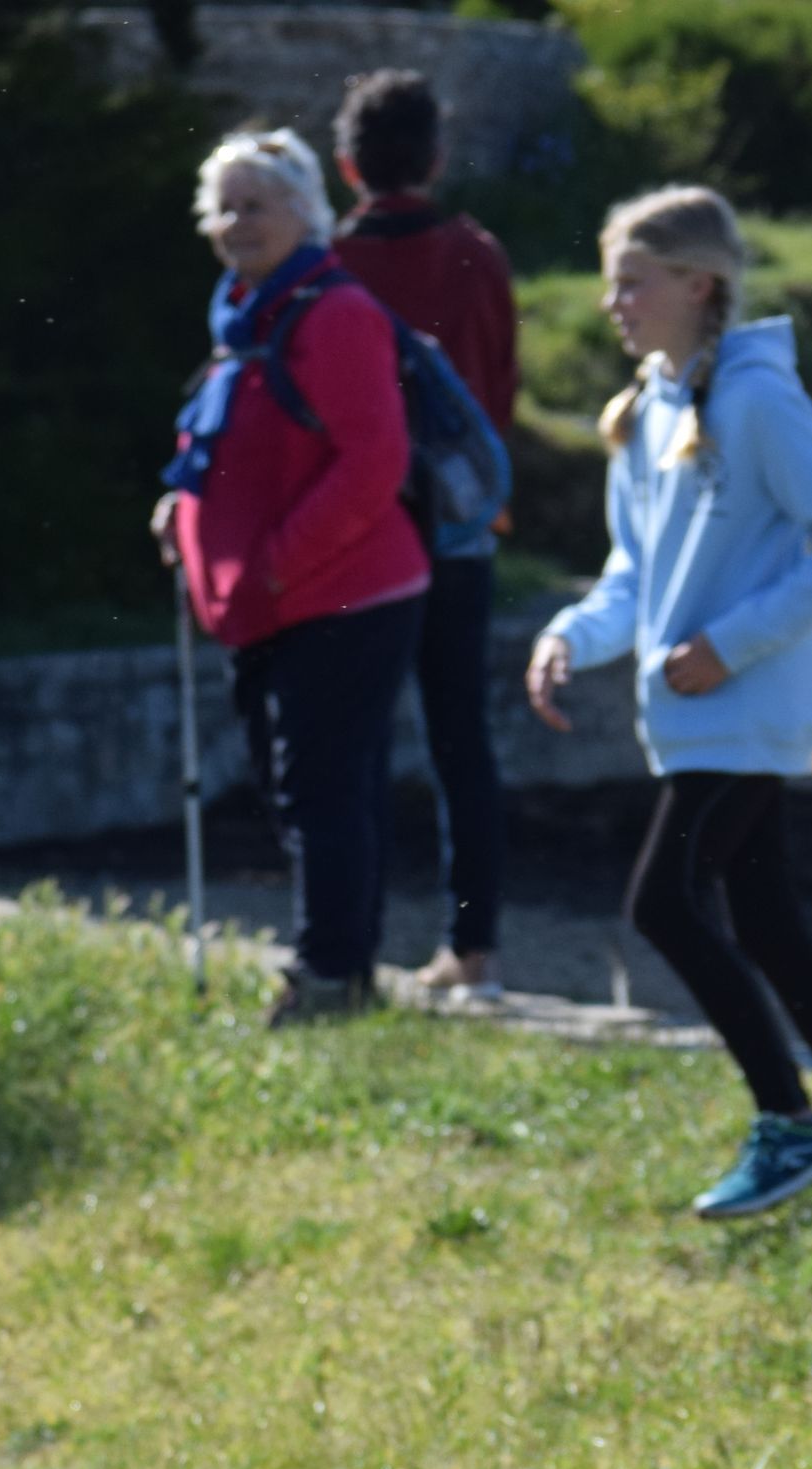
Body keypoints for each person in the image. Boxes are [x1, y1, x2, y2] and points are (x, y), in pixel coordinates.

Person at [528, 188, 812, 1218]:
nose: (611, 302)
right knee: (771, 930)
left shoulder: (756, 399)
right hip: (693, 720)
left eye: (631, 282)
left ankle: (790, 1125)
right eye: (610, 282)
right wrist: (568, 636)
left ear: (698, 284)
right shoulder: (643, 410)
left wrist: (729, 645)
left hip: (749, 711)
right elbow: (632, 574)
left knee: (660, 905)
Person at [155, 127, 428, 1026]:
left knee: (320, 790)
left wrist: (278, 563)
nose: (236, 223)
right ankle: (345, 970)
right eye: (223, 207)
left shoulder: (332, 313)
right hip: (276, 601)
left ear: (306, 213)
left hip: (341, 595)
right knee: (315, 790)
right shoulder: (244, 315)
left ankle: (329, 976)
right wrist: (184, 513)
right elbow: (234, 448)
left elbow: (374, 463)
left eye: (256, 205)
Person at [334, 67, 518, 1000]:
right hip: (456, 526)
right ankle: (472, 949)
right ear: (437, 159)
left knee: (353, 740)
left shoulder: (329, 267)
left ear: (347, 164)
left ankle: (351, 939)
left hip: (360, 534)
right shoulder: (477, 254)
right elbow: (500, 388)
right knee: (461, 739)